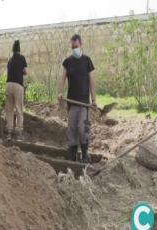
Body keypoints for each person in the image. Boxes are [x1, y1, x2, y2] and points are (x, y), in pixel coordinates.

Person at [58, 34, 96, 163]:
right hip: (72, 103)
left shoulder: (87, 61)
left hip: (84, 103)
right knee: (71, 129)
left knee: (83, 128)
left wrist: (94, 100)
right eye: (73, 46)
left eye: (76, 46)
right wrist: (60, 92)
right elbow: (63, 78)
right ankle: (73, 156)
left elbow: (91, 80)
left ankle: (85, 154)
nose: (75, 48)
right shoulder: (68, 62)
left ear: (81, 45)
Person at [5, 40, 28, 141]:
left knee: (9, 109)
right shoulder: (22, 58)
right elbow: (25, 72)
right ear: (19, 49)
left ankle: (9, 132)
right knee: (19, 109)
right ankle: (18, 132)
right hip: (18, 85)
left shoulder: (10, 60)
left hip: (8, 84)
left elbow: (9, 70)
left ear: (13, 50)